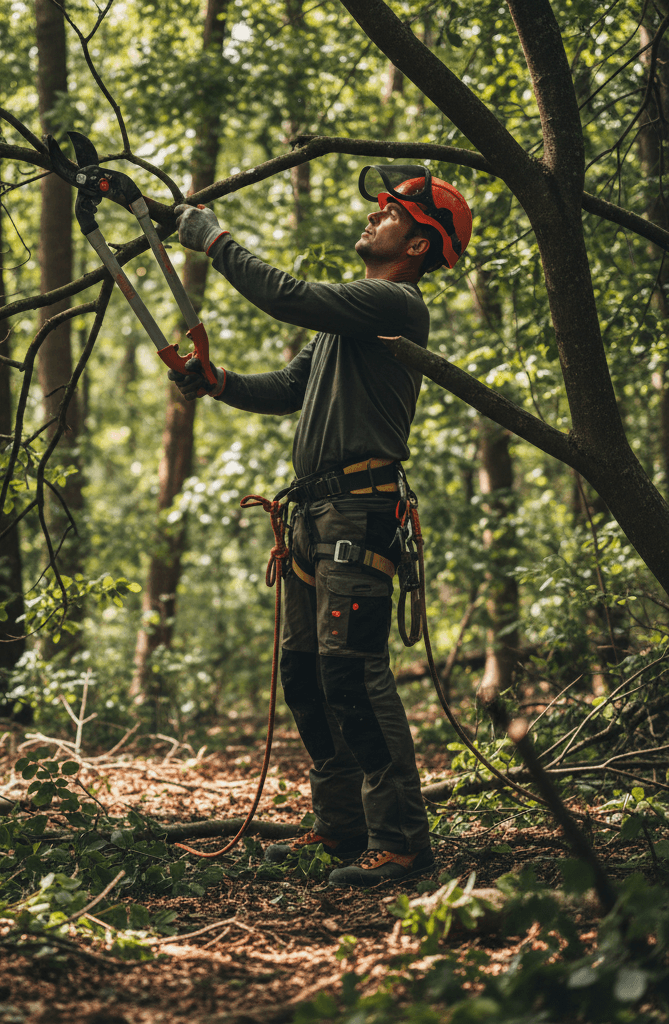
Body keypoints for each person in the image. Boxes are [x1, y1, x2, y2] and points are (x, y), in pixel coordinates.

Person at [171, 166, 472, 887]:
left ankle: (400, 842)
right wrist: (219, 385)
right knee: (305, 674)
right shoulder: (351, 325)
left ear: (420, 245)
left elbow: (288, 296)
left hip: (360, 515)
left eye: (391, 212)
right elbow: (289, 388)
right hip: (314, 515)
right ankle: (340, 833)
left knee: (354, 674)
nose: (374, 217)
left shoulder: (395, 304)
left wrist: (216, 241)